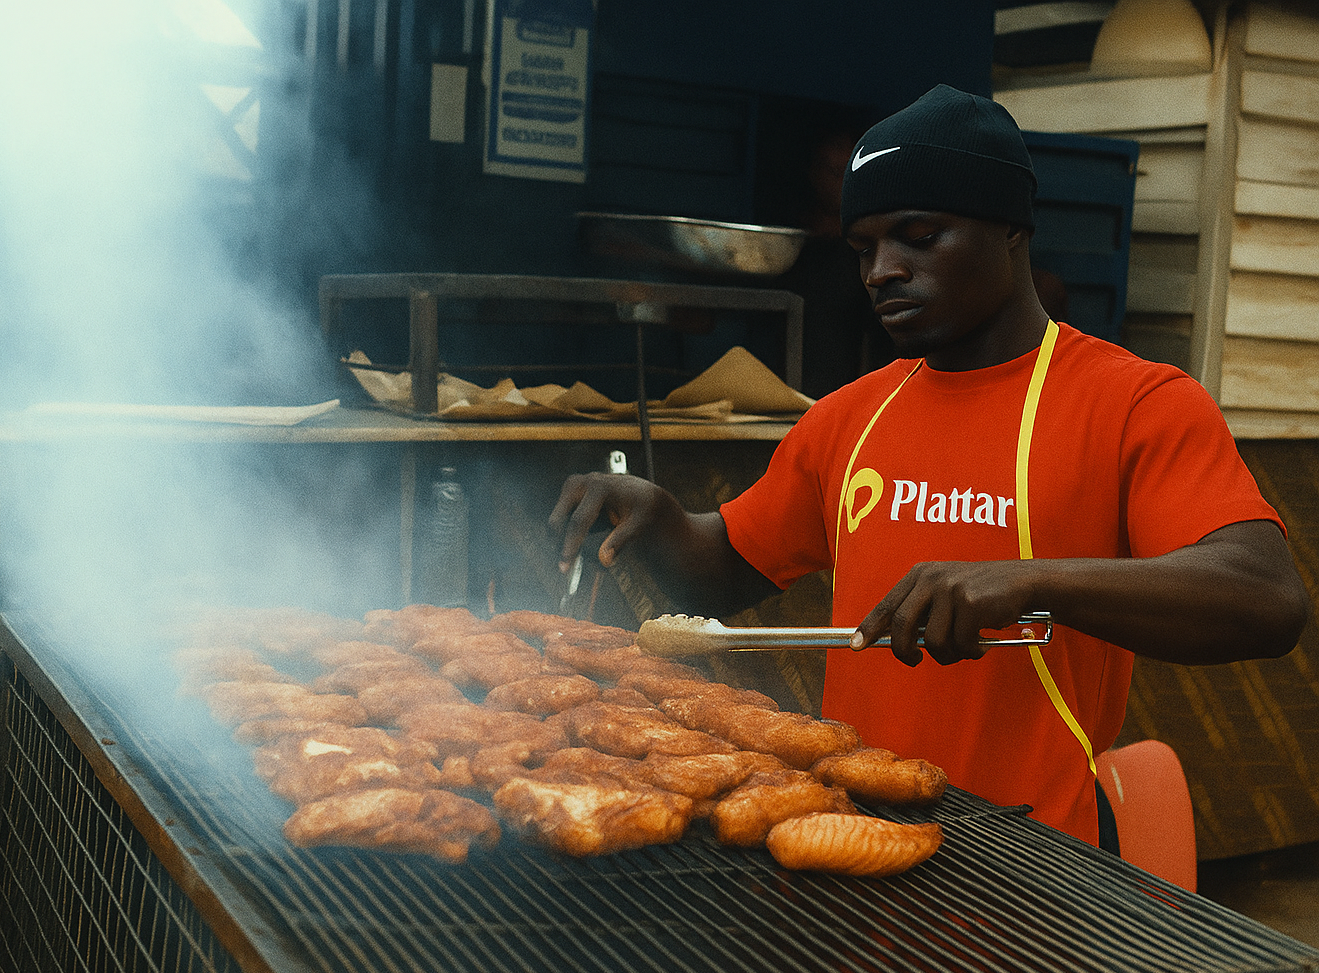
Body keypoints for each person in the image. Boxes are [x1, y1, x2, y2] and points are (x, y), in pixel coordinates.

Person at [549, 84, 1309, 847]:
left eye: (919, 236)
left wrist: (1025, 577)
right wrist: (659, 517)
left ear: (1010, 227)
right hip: (855, 843)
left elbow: (1264, 598)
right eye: (864, 248)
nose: (883, 270)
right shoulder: (848, 416)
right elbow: (722, 572)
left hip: (1040, 870)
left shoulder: (1136, 402)